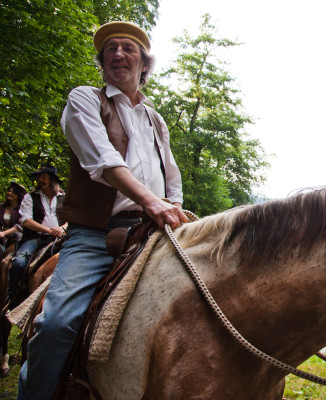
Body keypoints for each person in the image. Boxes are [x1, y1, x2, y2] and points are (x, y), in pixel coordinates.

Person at [17, 21, 187, 400]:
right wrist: (152, 202)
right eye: (110, 49)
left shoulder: (155, 119)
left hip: (153, 233)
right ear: (102, 62)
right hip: (95, 235)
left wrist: (174, 207)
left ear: (145, 64)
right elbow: (104, 161)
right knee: (57, 323)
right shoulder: (84, 99)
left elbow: (171, 175)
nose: (118, 54)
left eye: (128, 48)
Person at [8, 164, 67, 306]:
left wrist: (63, 229)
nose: (40, 179)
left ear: (53, 179)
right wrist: (48, 230)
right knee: (18, 263)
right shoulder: (30, 197)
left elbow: (71, 220)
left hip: (61, 237)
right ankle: (13, 302)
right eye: (38, 176)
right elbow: (26, 221)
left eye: (43, 176)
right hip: (37, 238)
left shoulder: (64, 198)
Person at [0, 182, 27, 254]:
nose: (10, 193)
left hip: (16, 236)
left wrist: (3, 233)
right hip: (2, 234)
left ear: (18, 195)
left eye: (13, 192)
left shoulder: (22, 208)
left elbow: (20, 225)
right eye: (9, 191)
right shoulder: (2, 206)